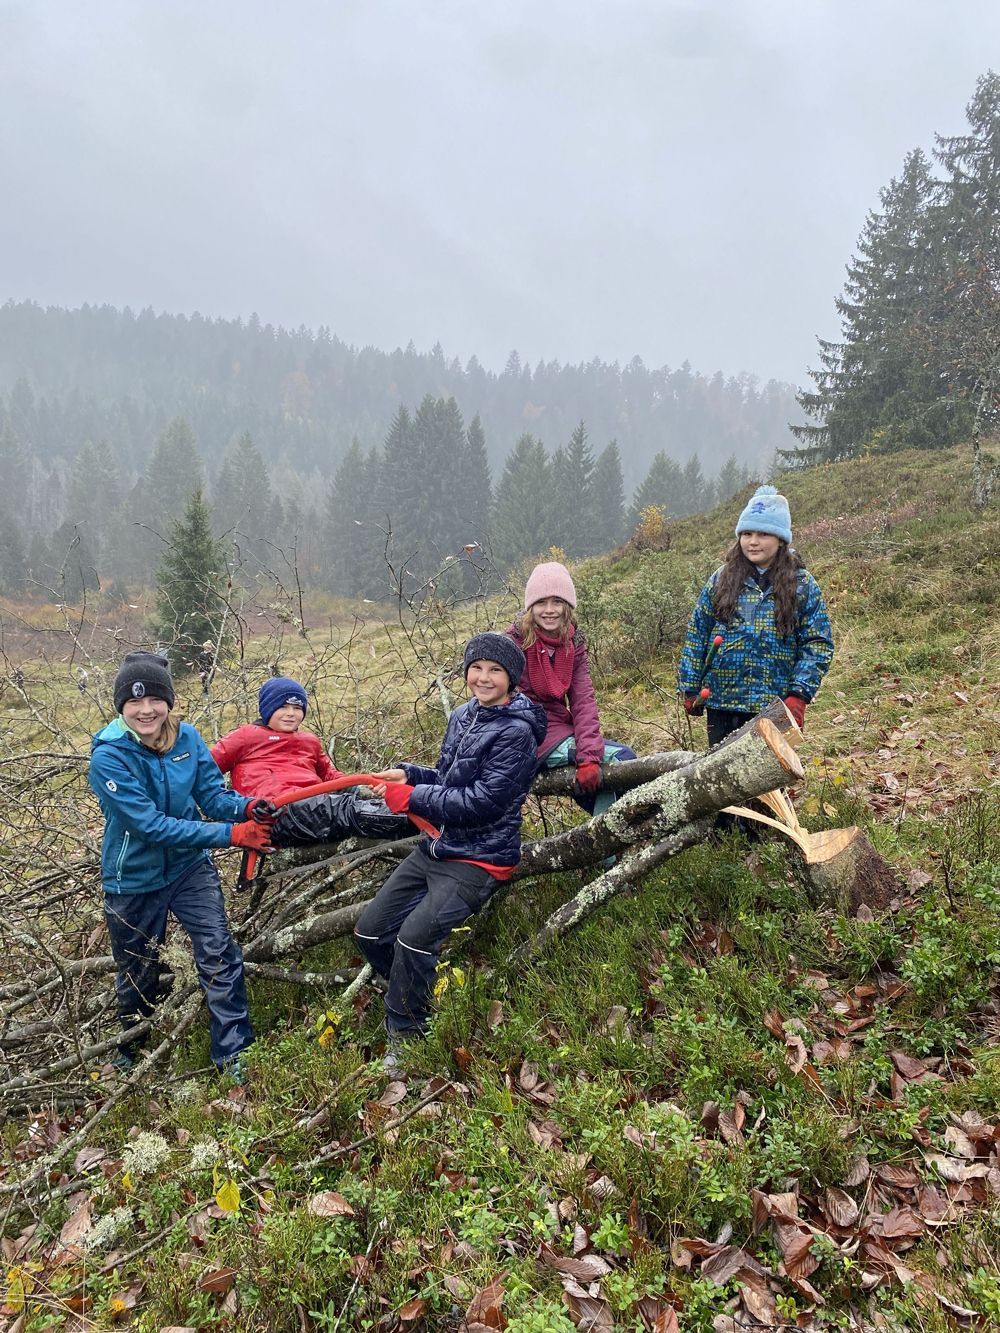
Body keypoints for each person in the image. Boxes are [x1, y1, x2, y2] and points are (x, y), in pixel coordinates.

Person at [353, 633, 546, 1056]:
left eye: (495, 670)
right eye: (476, 668)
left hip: (480, 857)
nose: (483, 677)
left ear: (512, 680)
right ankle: (413, 993)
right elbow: (447, 780)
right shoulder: (462, 715)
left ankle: (406, 1038)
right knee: (370, 932)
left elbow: (482, 802)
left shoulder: (517, 733)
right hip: (438, 845)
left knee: (413, 939)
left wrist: (413, 799)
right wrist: (411, 776)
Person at [88, 652, 275, 1077]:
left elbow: (212, 798)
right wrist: (231, 835)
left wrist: (247, 808)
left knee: (218, 952)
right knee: (138, 970)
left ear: (169, 701)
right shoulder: (108, 758)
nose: (146, 710)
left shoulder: (187, 739)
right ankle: (132, 1051)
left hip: (190, 868)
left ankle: (233, 1055)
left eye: (155, 698)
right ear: (122, 706)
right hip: (132, 878)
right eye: (134, 702)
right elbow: (150, 826)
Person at [678, 484, 834, 748]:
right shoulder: (721, 579)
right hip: (721, 701)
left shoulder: (802, 584)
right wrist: (690, 687)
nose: (753, 541)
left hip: (774, 704)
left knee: (770, 782)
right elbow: (697, 634)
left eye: (763, 534)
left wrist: (799, 694)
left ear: (781, 539)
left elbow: (818, 643)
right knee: (724, 780)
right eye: (747, 533)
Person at [211, 676, 410, 847]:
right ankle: (417, 822)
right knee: (345, 810)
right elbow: (205, 772)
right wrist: (236, 809)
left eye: (297, 707)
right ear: (267, 708)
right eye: (282, 707)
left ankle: (423, 815)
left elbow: (331, 776)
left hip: (316, 805)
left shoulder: (309, 741)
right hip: (278, 811)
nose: (290, 713)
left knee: (366, 803)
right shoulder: (245, 736)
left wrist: (366, 787)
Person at [506, 561, 635, 817]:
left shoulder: (572, 642)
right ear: (530, 607)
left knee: (603, 772)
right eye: (541, 602)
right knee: (622, 758)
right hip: (526, 736)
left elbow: (583, 700)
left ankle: (608, 844)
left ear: (568, 605)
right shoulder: (514, 643)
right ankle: (608, 842)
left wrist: (588, 755)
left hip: (559, 730)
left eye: (557, 601)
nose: (550, 610)